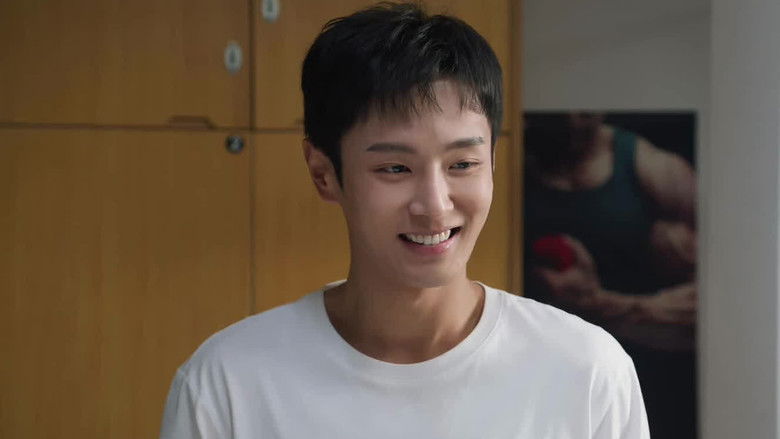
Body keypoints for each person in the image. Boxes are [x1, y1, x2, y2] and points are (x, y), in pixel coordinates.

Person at [160, 4, 649, 438]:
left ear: (494, 163)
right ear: (324, 173)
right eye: (395, 168)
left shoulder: (585, 373)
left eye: (463, 164)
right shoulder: (229, 384)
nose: (434, 206)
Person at [523, 112, 697, 438]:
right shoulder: (506, 163)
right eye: (561, 116)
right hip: (544, 373)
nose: (573, 121)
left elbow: (722, 308)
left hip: (644, 373)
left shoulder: (653, 168)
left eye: (583, 113)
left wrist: (597, 303)